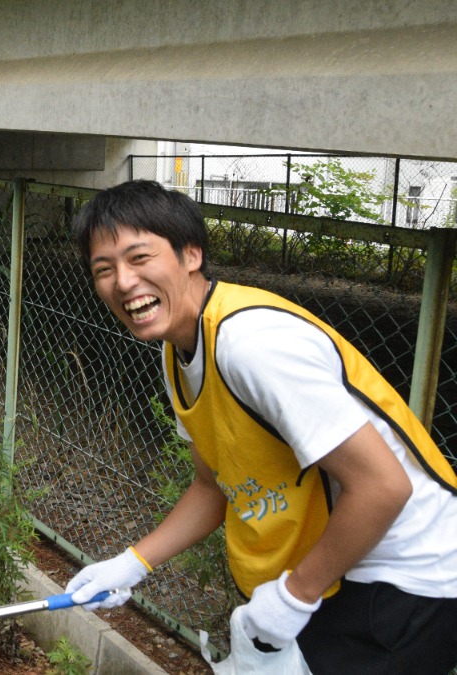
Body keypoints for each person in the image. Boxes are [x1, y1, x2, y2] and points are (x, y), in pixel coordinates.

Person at [64, 180, 457, 674]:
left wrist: (294, 596)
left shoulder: (250, 344)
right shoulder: (179, 349)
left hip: (411, 575)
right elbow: (213, 486)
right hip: (344, 563)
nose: (123, 281)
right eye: (104, 269)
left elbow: (382, 485)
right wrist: (132, 563)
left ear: (191, 254)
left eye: (139, 258)